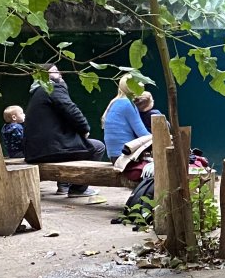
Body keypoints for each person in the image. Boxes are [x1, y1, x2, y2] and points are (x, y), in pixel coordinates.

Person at [24, 65, 107, 197]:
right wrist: (85, 129)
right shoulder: (51, 88)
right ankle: (78, 189)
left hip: (35, 152)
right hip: (50, 150)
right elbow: (71, 110)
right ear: (44, 75)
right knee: (98, 147)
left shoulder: (37, 92)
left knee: (69, 145)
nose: (60, 73)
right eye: (55, 71)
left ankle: (63, 186)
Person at [102, 75, 151, 158]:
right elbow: (143, 134)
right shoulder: (128, 104)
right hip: (125, 157)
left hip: (113, 156)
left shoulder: (114, 102)